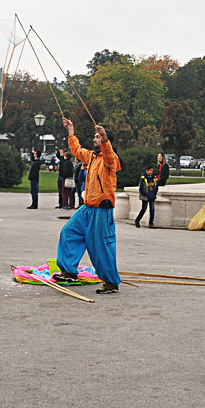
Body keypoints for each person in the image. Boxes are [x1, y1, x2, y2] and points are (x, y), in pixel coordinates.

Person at [53, 119, 121, 295]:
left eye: (98, 137)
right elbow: (76, 150)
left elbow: (108, 154)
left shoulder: (111, 158)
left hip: (101, 210)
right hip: (87, 207)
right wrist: (71, 130)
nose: (94, 139)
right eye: (96, 137)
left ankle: (111, 282)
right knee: (69, 232)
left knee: (101, 246)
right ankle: (68, 272)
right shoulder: (91, 156)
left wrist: (105, 139)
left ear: (106, 141)